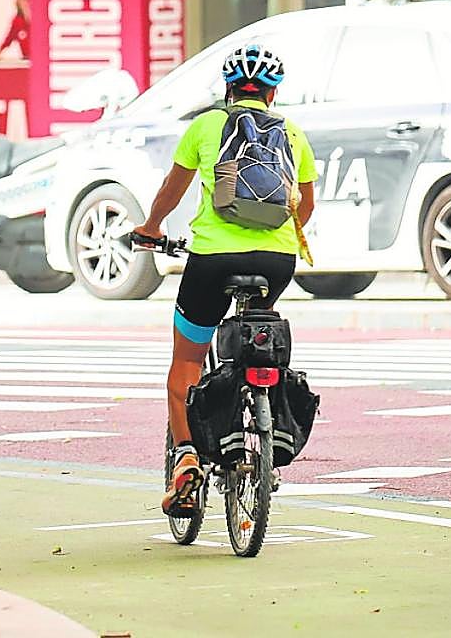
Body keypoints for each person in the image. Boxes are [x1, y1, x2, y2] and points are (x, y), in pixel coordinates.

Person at [132, 43, 317, 515]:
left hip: (212, 260)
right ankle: (264, 412)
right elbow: (306, 206)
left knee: (187, 360)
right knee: (258, 336)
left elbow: (172, 190)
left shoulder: (205, 126)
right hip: (277, 262)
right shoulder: (293, 135)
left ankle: (188, 459)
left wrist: (151, 229)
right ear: (273, 94)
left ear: (229, 90)